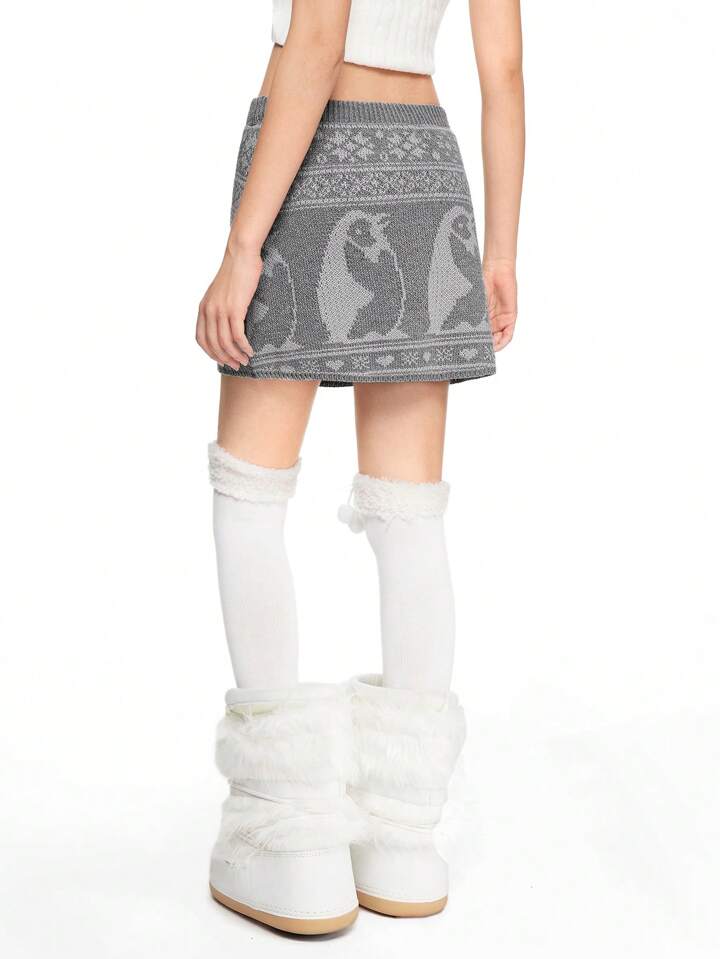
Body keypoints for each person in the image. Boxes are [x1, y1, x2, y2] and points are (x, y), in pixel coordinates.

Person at [197, 0, 524, 935]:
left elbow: (319, 34)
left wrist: (243, 245)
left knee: (249, 490)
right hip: (426, 165)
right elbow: (503, 71)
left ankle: (286, 832)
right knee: (407, 509)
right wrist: (500, 249)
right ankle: (402, 836)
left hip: (310, 157)